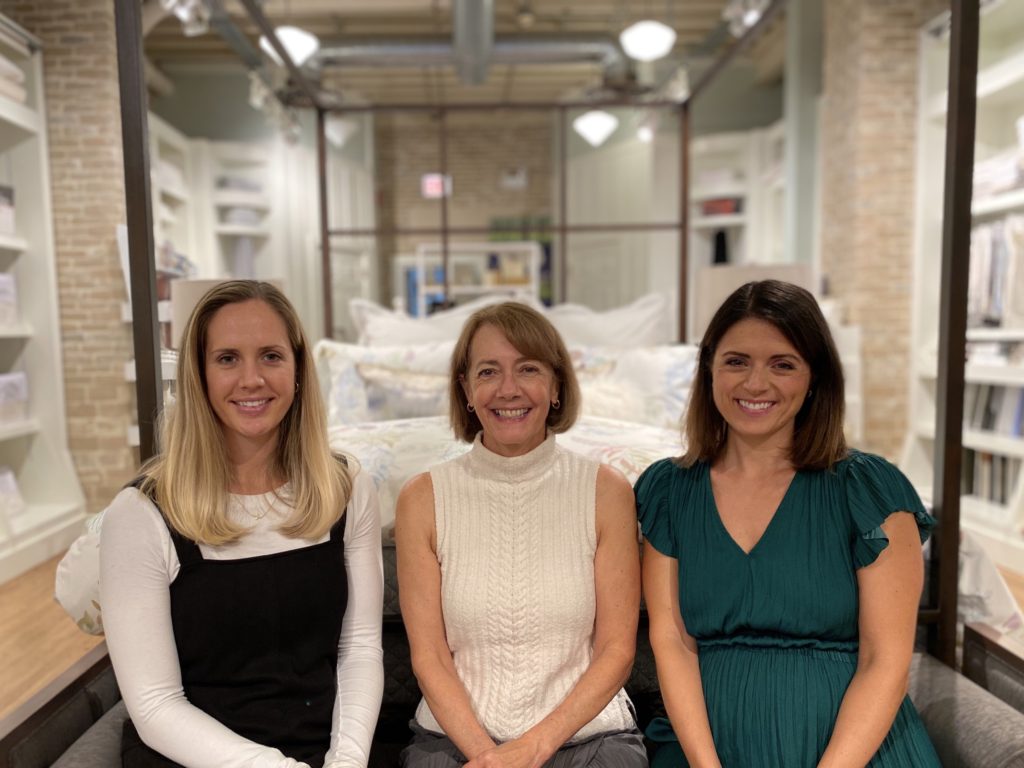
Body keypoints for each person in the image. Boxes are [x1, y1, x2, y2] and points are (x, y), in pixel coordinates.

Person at [636, 280, 941, 767]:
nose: (756, 384)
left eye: (783, 364)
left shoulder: (869, 490)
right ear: (709, 369)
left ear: (815, 377)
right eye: (737, 361)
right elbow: (672, 642)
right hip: (703, 749)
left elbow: (885, 662)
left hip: (852, 752)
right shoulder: (668, 491)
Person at [100, 280, 384, 768]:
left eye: (271, 356)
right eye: (227, 359)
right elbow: (155, 705)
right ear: (199, 376)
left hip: (329, 753)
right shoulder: (140, 513)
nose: (252, 379)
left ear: (298, 370)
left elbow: (358, 650)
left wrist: (348, 760)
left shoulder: (348, 488)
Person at [395, 301, 647, 768]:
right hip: (455, 741)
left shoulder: (606, 492)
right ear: (467, 390)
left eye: (528, 369)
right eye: (488, 371)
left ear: (556, 386)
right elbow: (429, 657)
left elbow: (617, 651)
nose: (508, 389)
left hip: (587, 739)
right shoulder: (421, 498)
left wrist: (533, 748)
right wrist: (489, 758)